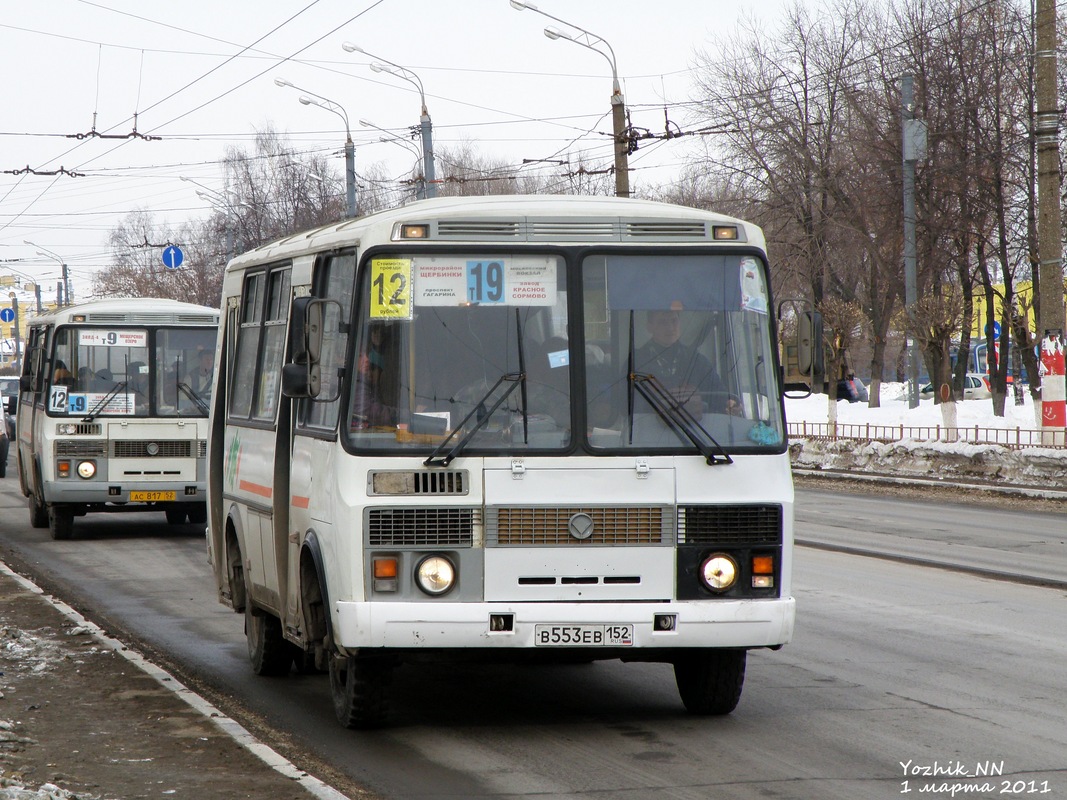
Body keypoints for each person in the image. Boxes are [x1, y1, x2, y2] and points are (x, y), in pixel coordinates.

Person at [635, 308, 739, 416]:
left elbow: (718, 394)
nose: (670, 328)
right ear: (650, 327)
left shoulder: (697, 361)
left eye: (674, 321)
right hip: (649, 429)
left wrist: (729, 403)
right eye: (663, 322)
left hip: (696, 431)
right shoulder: (636, 362)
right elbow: (628, 405)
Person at [351, 324, 396, 430]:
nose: (367, 360)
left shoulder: (367, 382)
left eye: (366, 355)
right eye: (360, 356)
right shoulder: (354, 385)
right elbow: (373, 413)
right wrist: (404, 415)